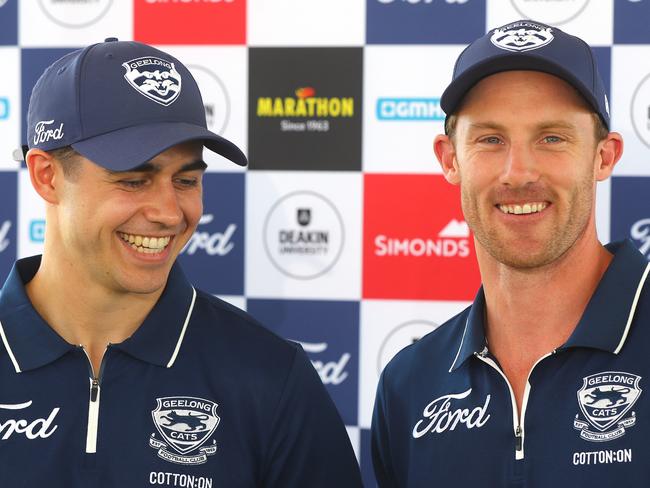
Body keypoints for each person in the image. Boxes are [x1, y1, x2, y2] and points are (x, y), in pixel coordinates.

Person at [0, 38, 363, 487]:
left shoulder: (270, 377)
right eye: (134, 180)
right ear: (46, 176)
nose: (170, 213)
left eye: (186, 179)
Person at [372, 20, 650, 487]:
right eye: (490, 139)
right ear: (449, 159)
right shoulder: (409, 385)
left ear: (604, 157)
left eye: (552, 138)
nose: (517, 173)